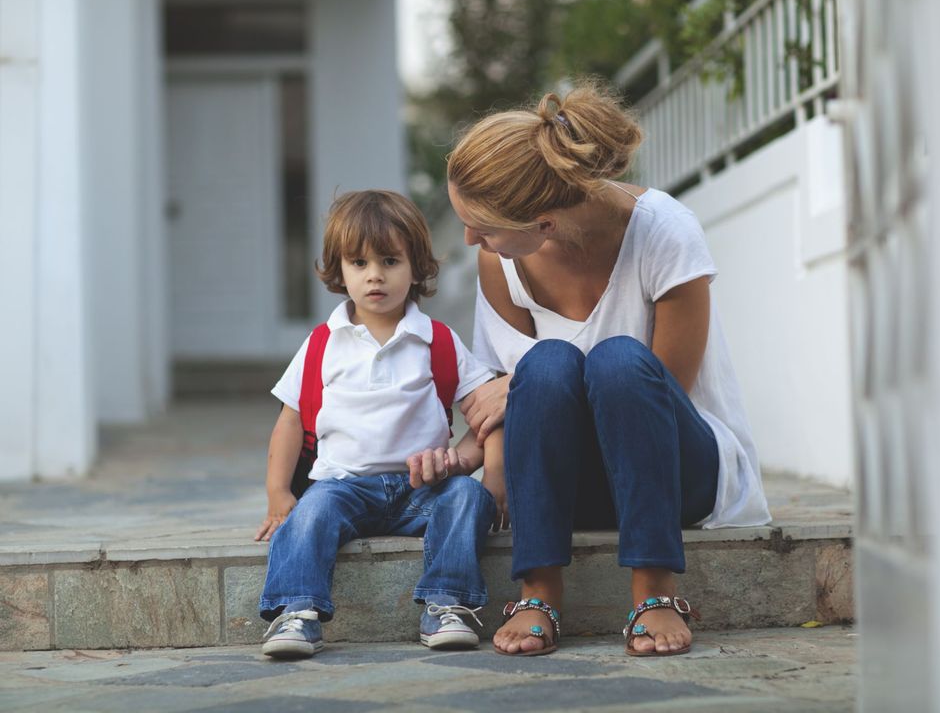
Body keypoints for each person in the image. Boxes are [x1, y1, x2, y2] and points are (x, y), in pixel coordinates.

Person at [446, 82, 771, 658]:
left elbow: (663, 395)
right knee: (545, 362)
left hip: (672, 473)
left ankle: (654, 589)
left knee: (619, 359)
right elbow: (503, 402)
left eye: (482, 225)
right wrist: (494, 454)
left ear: (544, 224)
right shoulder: (501, 260)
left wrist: (512, 387)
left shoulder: (663, 230)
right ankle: (539, 590)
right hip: (566, 483)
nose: (471, 239)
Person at [255, 190, 505, 659]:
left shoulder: (437, 341)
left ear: (416, 267)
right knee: (308, 515)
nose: (375, 275)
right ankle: (295, 611)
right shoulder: (322, 344)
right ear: (338, 270)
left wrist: (485, 475)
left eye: (390, 260)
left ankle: (447, 603)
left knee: (468, 497)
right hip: (343, 487)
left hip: (422, 490)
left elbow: (487, 414)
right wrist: (277, 493)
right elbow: (289, 422)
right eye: (358, 263)